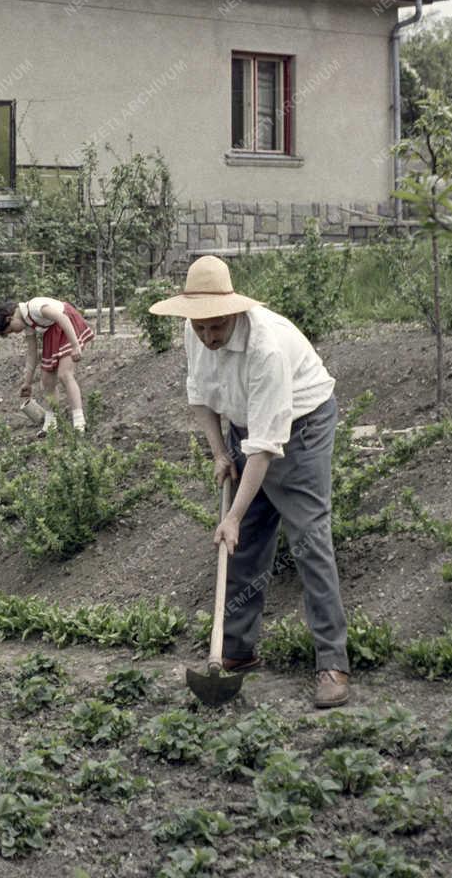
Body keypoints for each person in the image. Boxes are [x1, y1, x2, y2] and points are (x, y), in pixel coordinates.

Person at [149, 256, 350, 708]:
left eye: (216, 328)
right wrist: (220, 452)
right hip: (248, 425)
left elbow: (265, 446)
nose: (208, 337)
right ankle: (235, 650)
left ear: (233, 310)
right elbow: (200, 396)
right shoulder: (196, 328)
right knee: (243, 542)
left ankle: (332, 662)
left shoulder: (267, 348)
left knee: (308, 540)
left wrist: (234, 514)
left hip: (301, 426)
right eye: (201, 329)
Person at [0, 296, 94, 433]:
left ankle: (79, 422)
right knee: (46, 381)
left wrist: (75, 346)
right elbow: (32, 354)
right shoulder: (27, 323)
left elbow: (62, 318)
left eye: (11, 330)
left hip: (68, 326)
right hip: (53, 333)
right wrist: (27, 383)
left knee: (65, 374)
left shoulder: (34, 306)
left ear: (10, 319)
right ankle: (51, 424)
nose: (16, 332)